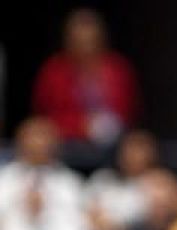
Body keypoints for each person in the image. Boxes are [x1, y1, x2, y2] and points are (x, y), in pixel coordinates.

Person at [31, 9, 140, 153]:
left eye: (91, 41)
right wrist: (82, 126)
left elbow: (131, 110)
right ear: (68, 41)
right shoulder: (53, 71)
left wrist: (109, 124)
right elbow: (43, 116)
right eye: (79, 42)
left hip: (114, 146)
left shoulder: (118, 68)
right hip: (62, 145)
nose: (86, 48)